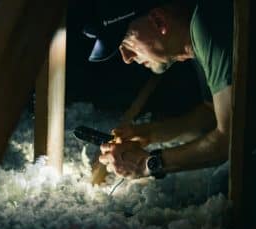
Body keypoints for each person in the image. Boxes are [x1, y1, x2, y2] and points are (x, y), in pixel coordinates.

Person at [83, 0, 233, 180]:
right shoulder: (196, 38)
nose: (127, 58)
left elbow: (230, 139)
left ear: (159, 21)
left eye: (127, 42)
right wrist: (149, 133)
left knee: (222, 183)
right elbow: (212, 115)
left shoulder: (207, 25)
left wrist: (147, 165)